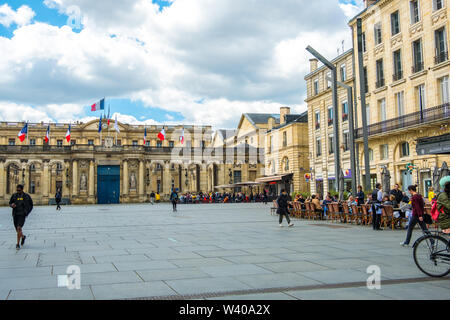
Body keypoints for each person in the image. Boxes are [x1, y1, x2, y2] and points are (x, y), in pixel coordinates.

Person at [9, 185, 33, 250]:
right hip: (15, 214)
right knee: (17, 230)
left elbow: (31, 205)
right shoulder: (14, 196)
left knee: (19, 228)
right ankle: (23, 237)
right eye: (17, 190)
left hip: (22, 215)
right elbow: (10, 203)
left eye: (19, 190)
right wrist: (11, 205)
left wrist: (27, 212)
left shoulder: (27, 196)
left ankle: (17, 244)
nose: (18, 191)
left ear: (22, 190)